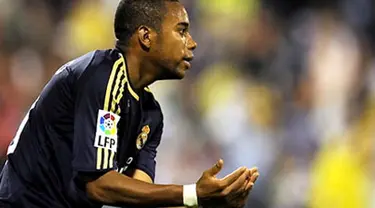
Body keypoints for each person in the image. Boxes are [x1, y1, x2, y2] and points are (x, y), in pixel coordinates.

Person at [0, 0, 259, 207]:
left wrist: (206, 204)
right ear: (146, 36)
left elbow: (141, 197)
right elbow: (98, 184)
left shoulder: (151, 115)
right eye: (181, 30)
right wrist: (192, 194)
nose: (192, 43)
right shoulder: (101, 77)